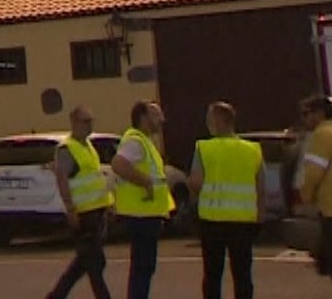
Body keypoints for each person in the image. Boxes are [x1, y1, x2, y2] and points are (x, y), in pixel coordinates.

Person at [188, 101, 263, 299]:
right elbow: (260, 186)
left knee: (212, 275)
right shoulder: (253, 149)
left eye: (209, 119)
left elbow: (196, 182)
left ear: (219, 121)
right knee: (243, 275)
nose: (207, 123)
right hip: (243, 221)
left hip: (212, 221)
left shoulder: (204, 147)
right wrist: (259, 215)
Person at [45, 105, 116, 299]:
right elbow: (62, 179)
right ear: (74, 123)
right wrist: (70, 209)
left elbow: (94, 178)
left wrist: (107, 204)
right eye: (86, 121)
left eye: (91, 121)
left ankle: (55, 296)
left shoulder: (88, 146)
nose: (90, 125)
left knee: (86, 263)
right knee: (94, 263)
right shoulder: (67, 148)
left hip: (96, 211)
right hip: (83, 213)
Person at [110, 100, 173, 299]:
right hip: (141, 214)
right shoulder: (135, 141)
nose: (161, 121)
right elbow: (118, 164)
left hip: (147, 213)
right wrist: (145, 182)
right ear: (144, 118)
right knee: (142, 268)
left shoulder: (144, 141)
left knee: (144, 268)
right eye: (157, 116)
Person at [298, 93, 332, 296]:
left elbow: (313, 173)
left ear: (319, 113)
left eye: (306, 113)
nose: (304, 119)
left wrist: (306, 196)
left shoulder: (321, 135)